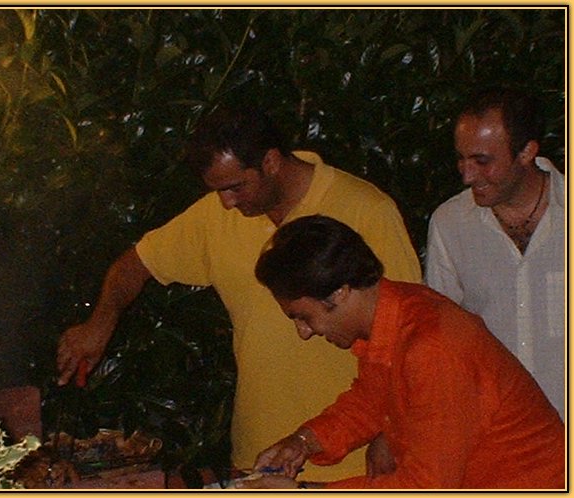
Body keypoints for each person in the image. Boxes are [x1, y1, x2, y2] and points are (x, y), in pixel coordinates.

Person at [56, 106, 422, 481]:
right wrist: (99, 323)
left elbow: (408, 332)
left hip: (356, 459)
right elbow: (134, 265)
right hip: (260, 454)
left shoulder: (367, 209)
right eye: (218, 191)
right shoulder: (216, 215)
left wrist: (389, 431)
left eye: (235, 187)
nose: (227, 202)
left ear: (271, 162)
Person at [242, 214, 564, 489]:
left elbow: (426, 487)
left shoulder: (433, 345)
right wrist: (303, 442)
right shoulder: (395, 312)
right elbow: (371, 401)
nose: (304, 332)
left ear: (339, 292)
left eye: (304, 317)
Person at [425, 87, 565, 419]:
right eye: (461, 158)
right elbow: (441, 338)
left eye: (482, 161)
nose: (467, 174)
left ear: (527, 151)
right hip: (497, 435)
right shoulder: (450, 223)